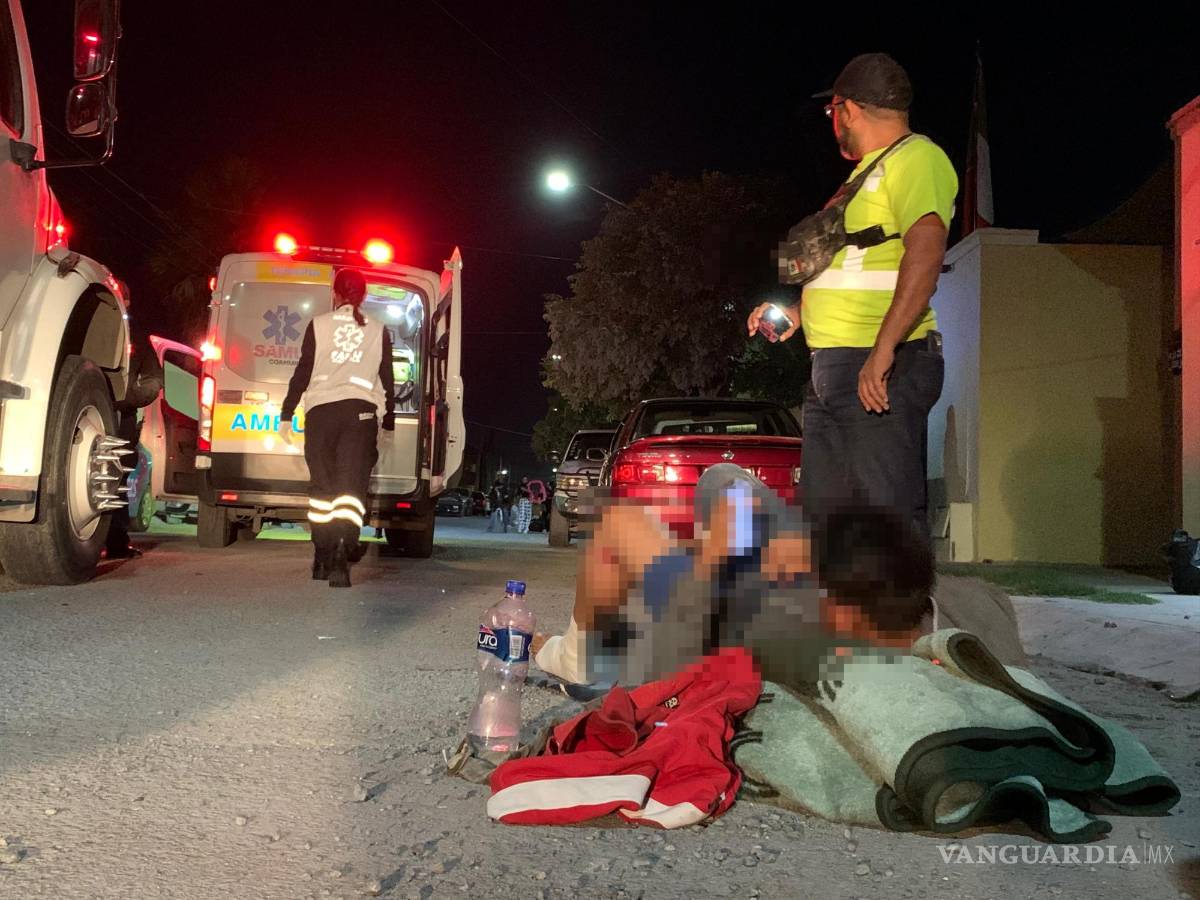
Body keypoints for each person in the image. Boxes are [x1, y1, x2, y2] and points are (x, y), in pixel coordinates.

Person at [748, 53, 958, 547]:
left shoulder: (917, 158)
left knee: (884, 521)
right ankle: (838, 623)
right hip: (835, 368)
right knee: (825, 525)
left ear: (850, 108)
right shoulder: (868, 174)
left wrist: (883, 353)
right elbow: (857, 260)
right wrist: (797, 315)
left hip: (879, 366)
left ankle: (908, 622)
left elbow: (925, 252)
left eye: (832, 112)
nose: (832, 123)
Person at [281, 268, 395, 587]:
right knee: (351, 489)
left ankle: (322, 555)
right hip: (360, 415)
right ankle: (343, 552)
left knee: (322, 490)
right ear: (364, 295)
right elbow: (388, 379)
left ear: (335, 293)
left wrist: (286, 413)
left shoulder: (318, 325)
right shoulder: (378, 329)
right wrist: (389, 421)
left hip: (321, 415)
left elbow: (303, 372)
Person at [105, 324, 165, 559]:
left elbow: (154, 379)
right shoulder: (90, 320)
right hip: (86, 409)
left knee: (118, 477)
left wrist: (129, 398)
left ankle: (115, 540)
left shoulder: (136, 336)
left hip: (122, 419)